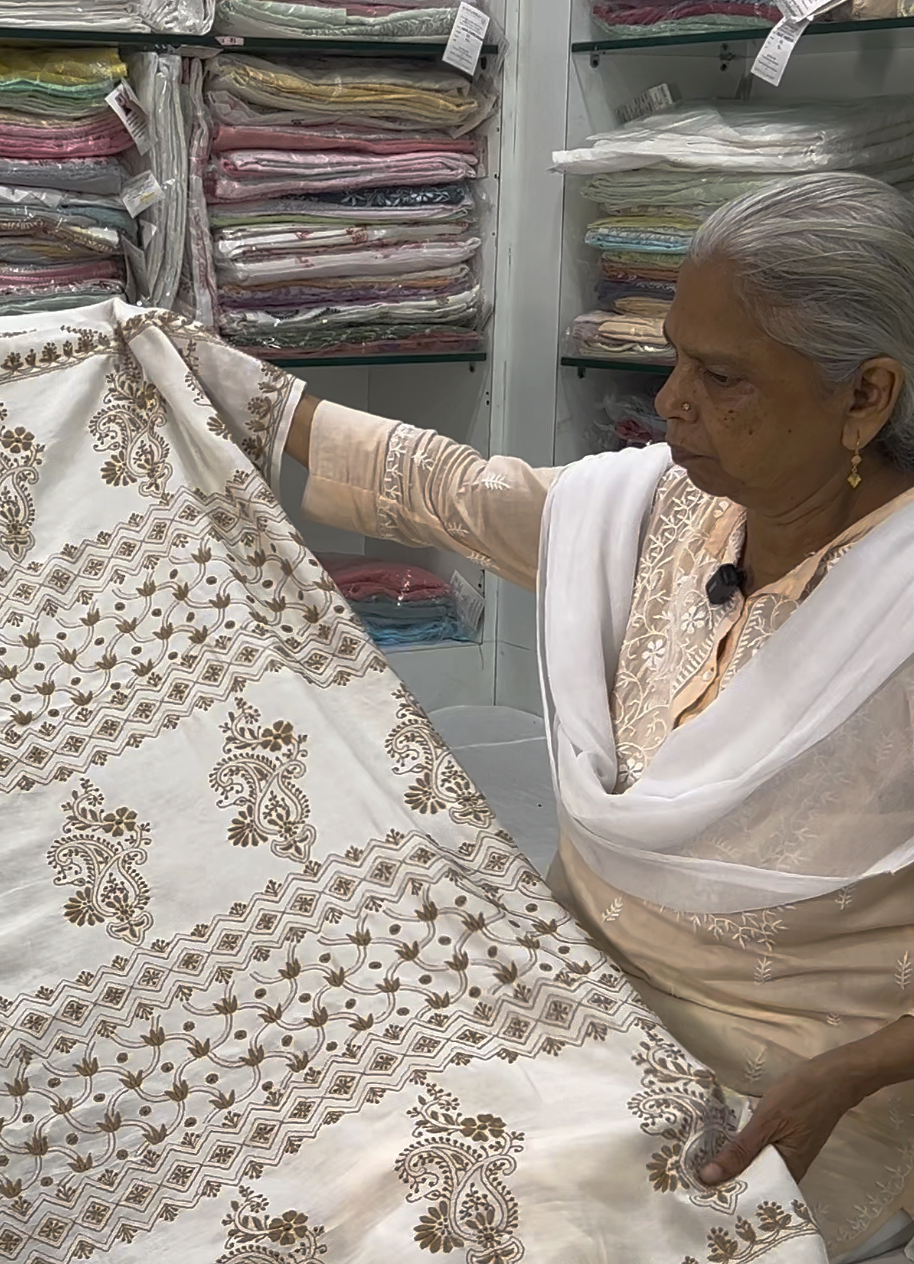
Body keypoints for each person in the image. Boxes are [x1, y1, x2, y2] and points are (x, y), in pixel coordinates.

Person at [282, 172, 914, 1263]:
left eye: (719, 377)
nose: (670, 402)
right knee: (307, 1133)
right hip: (570, 1009)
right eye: (671, 358)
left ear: (863, 397)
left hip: (798, 1095)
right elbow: (450, 491)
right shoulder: (661, 514)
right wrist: (234, 394)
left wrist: (852, 1074)